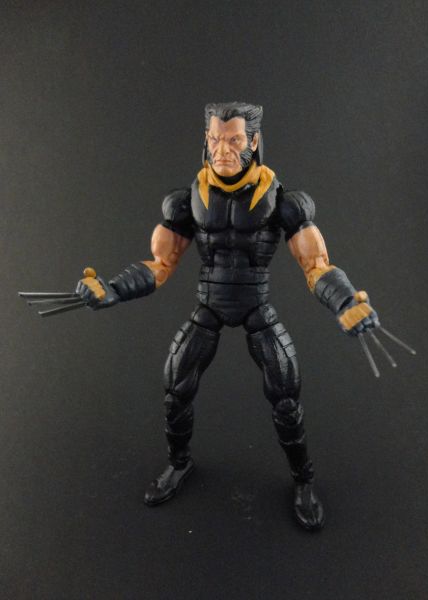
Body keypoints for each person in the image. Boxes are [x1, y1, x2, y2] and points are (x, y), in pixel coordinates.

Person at [75, 102, 380, 531]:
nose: (223, 149)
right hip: (210, 304)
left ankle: (303, 480)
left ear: (253, 142)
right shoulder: (187, 201)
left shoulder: (283, 201)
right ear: (206, 140)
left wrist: (345, 301)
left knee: (286, 397)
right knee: (175, 387)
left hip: (257, 305)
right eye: (216, 139)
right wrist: (113, 288)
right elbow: (161, 263)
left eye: (234, 140)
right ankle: (179, 463)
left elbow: (315, 264)